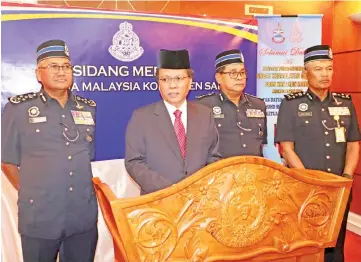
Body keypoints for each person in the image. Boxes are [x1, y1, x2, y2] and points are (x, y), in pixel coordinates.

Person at [1, 39, 98, 262]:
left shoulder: (88, 107)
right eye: (53, 66)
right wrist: (35, 193)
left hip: (82, 216)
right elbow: (7, 162)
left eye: (66, 66)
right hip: (40, 217)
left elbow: (87, 154)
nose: (61, 72)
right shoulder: (19, 109)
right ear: (38, 74)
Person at [275, 44, 360, 262]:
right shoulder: (291, 104)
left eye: (329, 68)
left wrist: (347, 177)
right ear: (306, 73)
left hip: (339, 185)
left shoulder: (345, 103)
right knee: (306, 243)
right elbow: (287, 148)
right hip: (306, 187)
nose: (325, 74)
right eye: (318, 69)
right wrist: (308, 180)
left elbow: (353, 144)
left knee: (337, 242)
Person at [125, 49, 222, 194]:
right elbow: (134, 162)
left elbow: (214, 157)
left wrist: (201, 187)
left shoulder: (204, 114)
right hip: (158, 201)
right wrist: (171, 191)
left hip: (198, 201)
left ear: (190, 82)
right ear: (158, 84)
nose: (172, 85)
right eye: (165, 79)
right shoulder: (141, 117)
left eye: (179, 79)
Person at [196, 49, 267, 158]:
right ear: (218, 77)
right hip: (221, 172)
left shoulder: (259, 105)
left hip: (253, 172)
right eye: (233, 73)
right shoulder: (204, 106)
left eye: (242, 72)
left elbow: (262, 145)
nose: (239, 77)